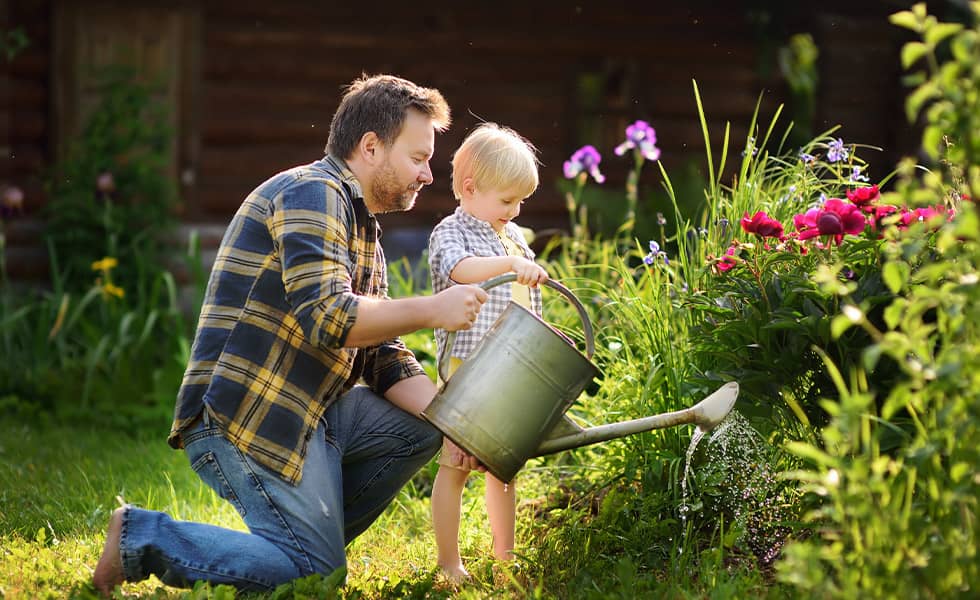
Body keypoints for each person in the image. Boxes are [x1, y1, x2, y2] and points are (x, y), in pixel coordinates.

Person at [92, 74, 490, 596]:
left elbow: (381, 357)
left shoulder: (363, 227)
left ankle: (295, 542)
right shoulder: (310, 192)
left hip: (313, 413)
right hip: (249, 416)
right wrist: (433, 310)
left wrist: (459, 424)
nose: (427, 174)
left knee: (422, 426)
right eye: (418, 157)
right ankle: (142, 537)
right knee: (315, 577)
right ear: (371, 147)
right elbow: (328, 317)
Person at [427, 123, 548, 581]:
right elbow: (460, 272)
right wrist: (512, 265)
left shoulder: (512, 236)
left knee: (504, 469)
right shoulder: (450, 233)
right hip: (468, 373)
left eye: (520, 202)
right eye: (506, 201)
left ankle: (505, 557)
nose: (514, 211)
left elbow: (523, 301)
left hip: (510, 372)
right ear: (471, 188)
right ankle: (449, 563)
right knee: (455, 467)